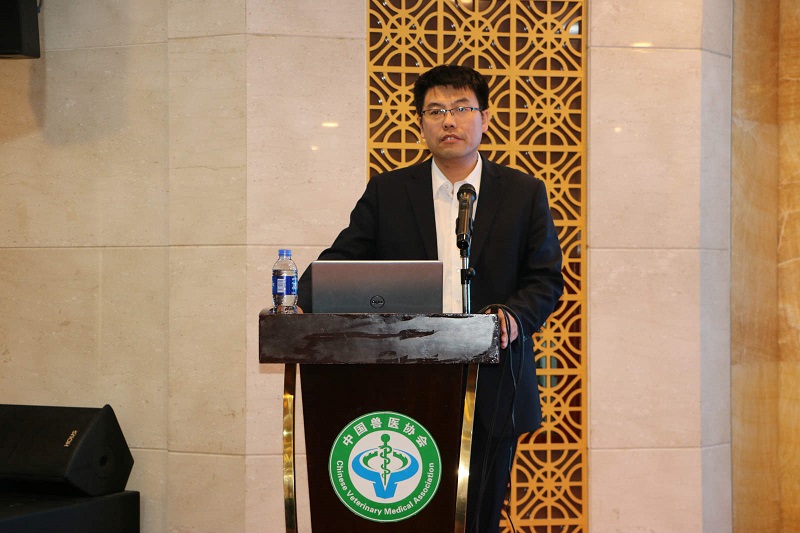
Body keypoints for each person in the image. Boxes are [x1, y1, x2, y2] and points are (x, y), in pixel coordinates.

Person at [297, 64, 563, 533]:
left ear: (485, 117)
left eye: (462, 108)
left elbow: (545, 279)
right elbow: (338, 264)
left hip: (494, 379)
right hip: (406, 381)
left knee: (478, 516)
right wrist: (304, 297)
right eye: (436, 110)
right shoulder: (389, 192)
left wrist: (512, 316)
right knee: (409, 515)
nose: (449, 121)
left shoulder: (523, 193)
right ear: (420, 122)